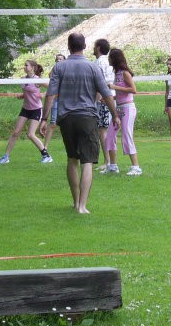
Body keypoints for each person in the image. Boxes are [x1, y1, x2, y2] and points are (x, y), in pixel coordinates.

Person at [39, 33, 119, 214]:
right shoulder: (92, 67)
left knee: (72, 159)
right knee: (87, 161)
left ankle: (75, 202)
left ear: (69, 47)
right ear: (84, 46)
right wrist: (115, 114)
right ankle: (82, 206)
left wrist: (44, 118)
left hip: (66, 118)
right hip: (87, 117)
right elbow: (106, 94)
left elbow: (50, 94)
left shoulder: (59, 67)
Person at [0, 60, 52, 164]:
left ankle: (46, 155)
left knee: (30, 134)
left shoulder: (37, 80)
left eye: (26, 65)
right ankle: (6, 157)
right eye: (24, 65)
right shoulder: (22, 80)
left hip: (36, 110)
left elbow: (52, 87)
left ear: (32, 67)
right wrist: (20, 96)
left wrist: (44, 95)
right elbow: (27, 94)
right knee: (15, 133)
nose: (24, 67)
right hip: (25, 109)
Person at [103, 48, 142, 176]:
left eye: (110, 57)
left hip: (128, 108)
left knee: (127, 134)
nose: (108, 59)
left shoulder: (125, 73)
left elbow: (133, 89)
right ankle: (113, 166)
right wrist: (109, 99)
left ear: (115, 59)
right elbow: (121, 94)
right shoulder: (117, 73)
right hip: (119, 108)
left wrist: (115, 87)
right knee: (109, 136)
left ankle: (136, 167)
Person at [93, 39, 115, 171]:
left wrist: (98, 97)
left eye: (94, 46)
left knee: (103, 130)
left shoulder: (100, 61)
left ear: (98, 47)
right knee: (103, 130)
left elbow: (99, 82)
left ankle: (108, 161)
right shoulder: (106, 61)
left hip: (104, 99)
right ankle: (107, 161)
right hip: (109, 98)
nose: (93, 48)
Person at [43, 53, 66, 150]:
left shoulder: (67, 71)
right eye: (57, 59)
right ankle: (45, 147)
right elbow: (52, 84)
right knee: (52, 123)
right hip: (56, 100)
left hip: (65, 100)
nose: (59, 60)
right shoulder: (54, 71)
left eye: (61, 59)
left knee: (66, 124)